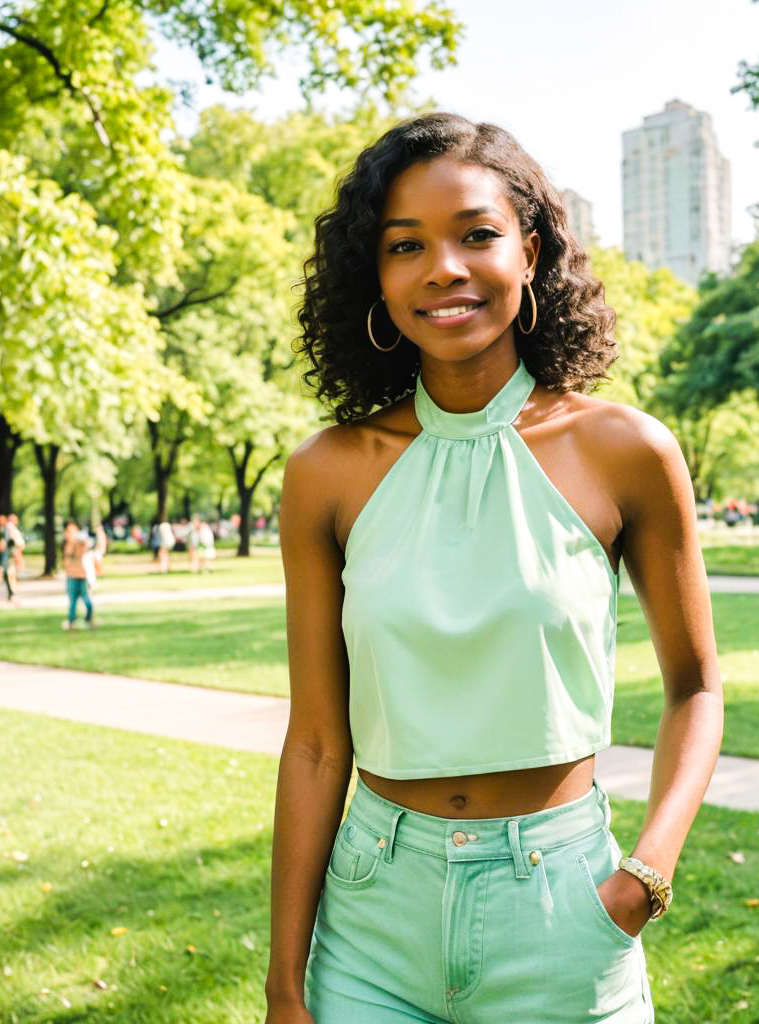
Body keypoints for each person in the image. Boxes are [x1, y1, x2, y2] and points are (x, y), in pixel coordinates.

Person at [264, 114, 723, 1024]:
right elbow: (317, 743)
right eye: (406, 246)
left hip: (562, 912)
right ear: (378, 277)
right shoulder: (325, 474)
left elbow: (696, 689)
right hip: (369, 924)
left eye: (477, 234)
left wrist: (646, 876)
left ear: (531, 251)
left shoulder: (625, 449)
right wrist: (286, 981)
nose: (444, 268)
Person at [61, 520, 93, 630]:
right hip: (73, 575)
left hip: (80, 575)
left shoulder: (81, 543)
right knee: (73, 601)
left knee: (85, 599)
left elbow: (87, 546)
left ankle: (87, 619)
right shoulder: (69, 544)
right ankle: (71, 621)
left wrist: (78, 541)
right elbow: (67, 557)